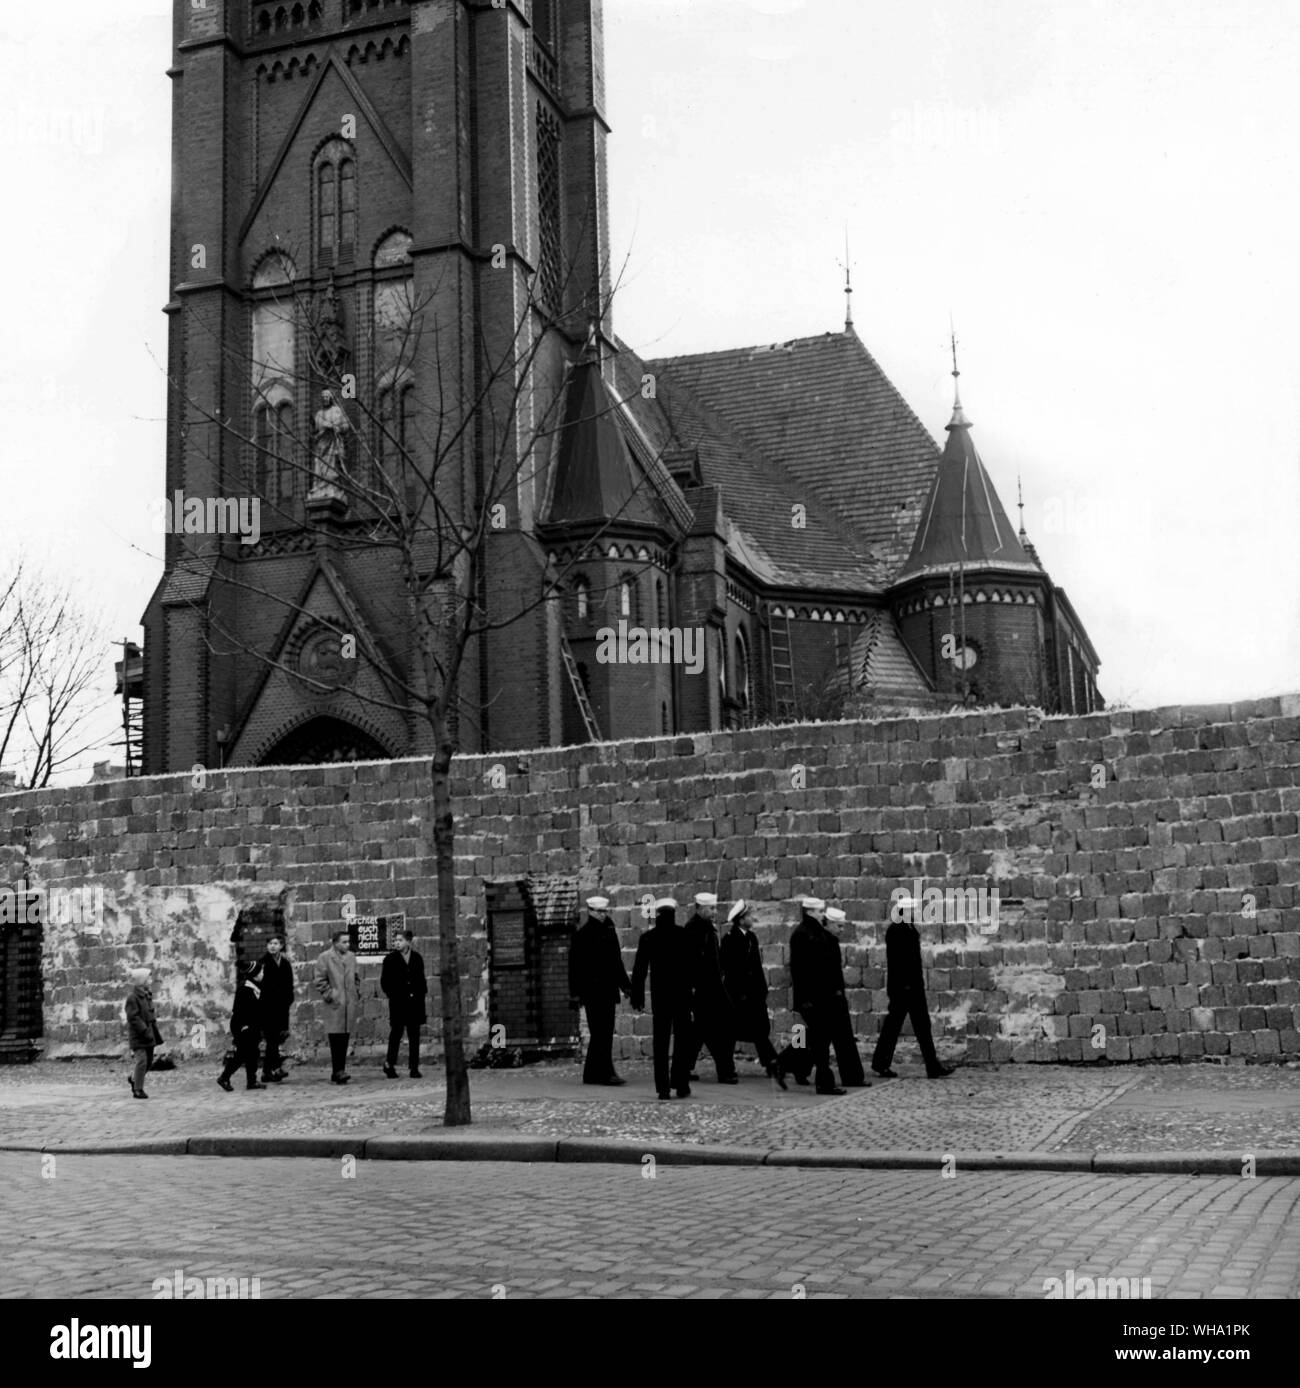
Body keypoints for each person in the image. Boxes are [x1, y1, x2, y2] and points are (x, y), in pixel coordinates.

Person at [872, 893, 954, 1080]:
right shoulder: (897, 931)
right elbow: (898, 963)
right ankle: (882, 1063)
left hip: (912, 987)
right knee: (895, 1027)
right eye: (912, 910)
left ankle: (931, 1066)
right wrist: (906, 986)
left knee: (919, 1026)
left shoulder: (908, 929)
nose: (915, 912)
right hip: (904, 988)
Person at [630, 898, 694, 1100]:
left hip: (661, 996)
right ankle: (681, 1083)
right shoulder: (683, 935)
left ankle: (663, 1088)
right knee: (682, 1040)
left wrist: (637, 996)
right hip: (681, 996)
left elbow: (639, 970)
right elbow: (692, 968)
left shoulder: (649, 938)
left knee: (661, 1042)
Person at [719, 899, 785, 1088]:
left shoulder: (751, 938)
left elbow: (756, 967)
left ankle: (771, 1063)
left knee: (759, 1031)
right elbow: (728, 969)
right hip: (738, 996)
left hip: (754, 995)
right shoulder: (730, 940)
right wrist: (738, 993)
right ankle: (728, 1070)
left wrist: (762, 990)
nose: (751, 918)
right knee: (730, 1035)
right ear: (740, 920)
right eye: (748, 916)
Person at [568, 896, 632, 1085]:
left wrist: (625, 985)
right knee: (600, 1032)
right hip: (592, 992)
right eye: (599, 912)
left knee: (603, 1032)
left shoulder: (609, 931)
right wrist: (575, 993)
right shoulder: (583, 935)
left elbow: (616, 961)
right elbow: (575, 967)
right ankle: (605, 1073)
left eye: (604, 911)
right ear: (590, 911)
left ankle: (592, 1073)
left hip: (607, 989)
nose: (603, 915)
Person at [784, 897, 845, 1095]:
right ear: (810, 912)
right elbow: (799, 971)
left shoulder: (815, 932)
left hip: (820, 997)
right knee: (820, 1040)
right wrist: (805, 1000)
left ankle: (785, 1065)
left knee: (817, 1038)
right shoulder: (802, 934)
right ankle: (823, 1083)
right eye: (819, 912)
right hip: (811, 999)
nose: (822, 915)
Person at [682, 891, 738, 1084]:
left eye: (715, 907)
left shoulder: (706, 928)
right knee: (717, 1033)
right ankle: (725, 1071)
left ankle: (684, 1067)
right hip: (704, 990)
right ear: (699, 908)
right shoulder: (694, 929)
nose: (714, 911)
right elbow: (692, 963)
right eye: (710, 908)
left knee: (699, 1032)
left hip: (712, 988)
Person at [824, 907, 868, 1087]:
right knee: (815, 1037)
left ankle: (853, 1077)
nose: (842, 930)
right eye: (839, 927)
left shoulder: (829, 940)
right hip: (829, 999)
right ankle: (786, 1063)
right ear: (831, 924)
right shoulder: (826, 941)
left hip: (834, 998)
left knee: (835, 1039)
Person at [314, 929, 360, 1084]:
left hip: (348, 1004)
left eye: (348, 942)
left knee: (345, 1038)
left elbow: (356, 977)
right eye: (344, 942)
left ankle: (340, 1070)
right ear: (335, 943)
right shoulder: (325, 957)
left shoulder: (351, 957)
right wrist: (331, 995)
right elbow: (319, 980)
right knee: (336, 1039)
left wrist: (355, 993)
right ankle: (338, 1070)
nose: (347, 945)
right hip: (334, 1004)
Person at [381, 929, 428, 1078]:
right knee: (396, 1033)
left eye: (400, 940)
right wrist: (393, 995)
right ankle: (390, 1064)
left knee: (414, 1035)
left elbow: (421, 979)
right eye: (395, 940)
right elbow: (385, 982)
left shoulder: (417, 958)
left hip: (414, 1003)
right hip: (398, 1003)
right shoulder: (390, 959)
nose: (397, 943)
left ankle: (414, 1067)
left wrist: (420, 994)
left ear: (409, 941)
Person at [217, 959, 267, 1092]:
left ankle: (252, 1081)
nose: (263, 973)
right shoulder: (245, 989)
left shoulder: (255, 987)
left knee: (253, 1053)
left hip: (253, 1026)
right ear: (255, 974)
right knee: (242, 1054)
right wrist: (244, 1026)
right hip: (243, 1026)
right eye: (261, 971)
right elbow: (239, 1010)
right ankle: (224, 1077)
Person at [255, 934, 294, 1083]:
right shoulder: (262, 963)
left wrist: (288, 1001)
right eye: (270, 943)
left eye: (276, 943)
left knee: (276, 1039)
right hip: (267, 1007)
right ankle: (276, 1068)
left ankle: (266, 1072)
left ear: (281, 946)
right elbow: (258, 985)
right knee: (271, 1038)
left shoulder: (285, 964)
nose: (272, 946)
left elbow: (289, 985)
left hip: (282, 1007)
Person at [124, 967, 163, 1100]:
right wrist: (144, 1030)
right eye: (148, 978)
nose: (151, 980)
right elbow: (133, 1017)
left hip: (149, 1034)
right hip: (138, 1036)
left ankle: (135, 1078)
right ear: (141, 981)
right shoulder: (132, 998)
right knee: (142, 1061)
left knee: (149, 1061)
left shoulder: (146, 995)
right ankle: (138, 1089)